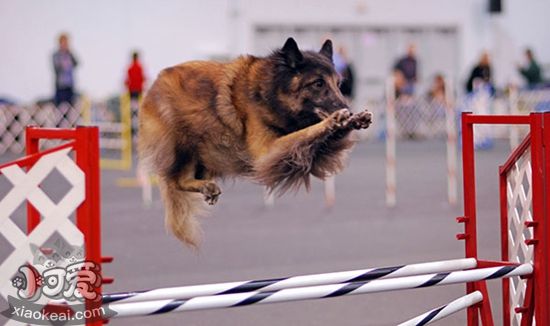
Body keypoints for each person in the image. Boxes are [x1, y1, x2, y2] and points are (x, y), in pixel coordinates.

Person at [52, 33, 78, 106]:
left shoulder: (70, 54)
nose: (65, 44)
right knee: (60, 106)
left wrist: (70, 53)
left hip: (70, 85)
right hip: (60, 85)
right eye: (63, 42)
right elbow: (56, 68)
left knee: (71, 106)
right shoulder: (56, 55)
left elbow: (76, 63)